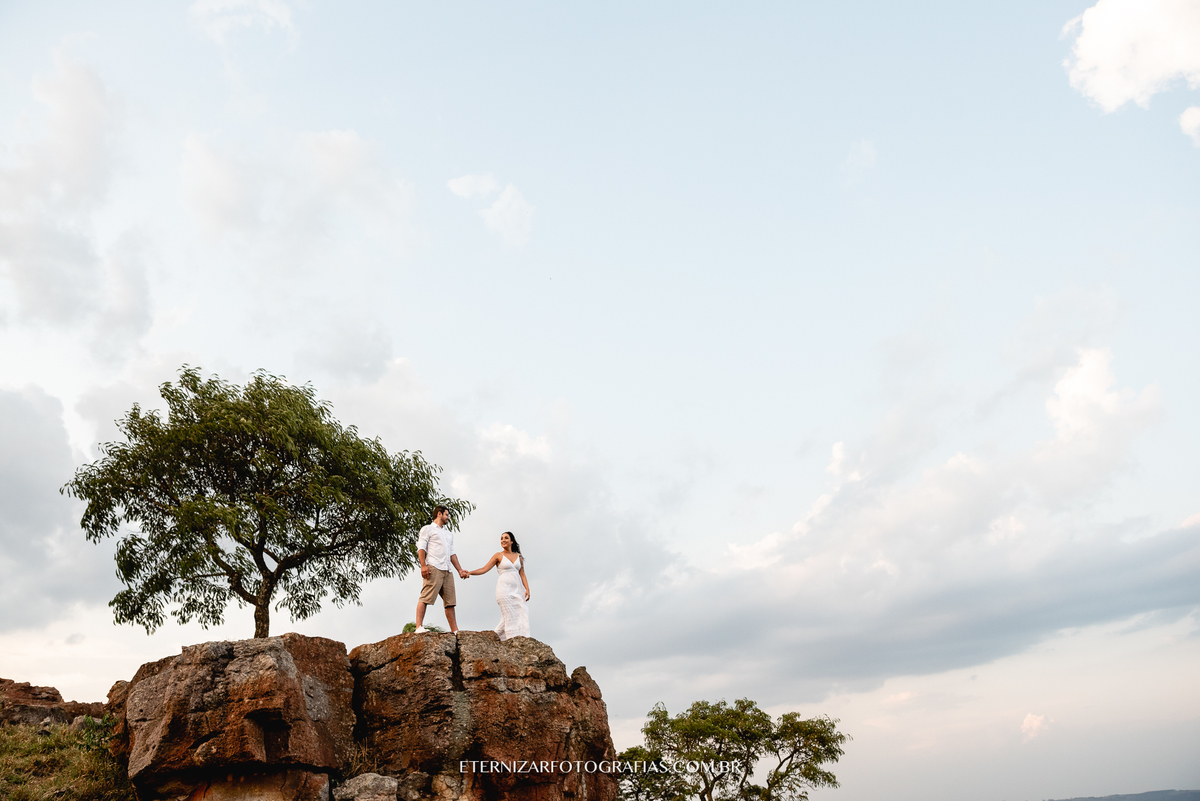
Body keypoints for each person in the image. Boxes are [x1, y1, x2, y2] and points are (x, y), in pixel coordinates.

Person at [414, 505, 470, 633]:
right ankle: (418, 627)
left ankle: (455, 630)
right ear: (439, 514)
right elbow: (421, 548)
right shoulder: (428, 529)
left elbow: (452, 553)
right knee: (425, 597)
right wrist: (423, 565)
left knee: (450, 602)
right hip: (434, 567)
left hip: (447, 570)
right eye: (447, 515)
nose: (448, 518)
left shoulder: (448, 534)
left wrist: (460, 570)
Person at [467, 531, 530, 641]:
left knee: (521, 612)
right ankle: (513, 642)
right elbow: (484, 569)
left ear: (512, 541)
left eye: (506, 538)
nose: (503, 540)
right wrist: (470, 573)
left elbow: (522, 573)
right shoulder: (498, 555)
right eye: (501, 538)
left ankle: (491, 640)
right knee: (510, 617)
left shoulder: (518, 556)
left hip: (517, 590)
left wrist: (527, 589)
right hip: (504, 590)